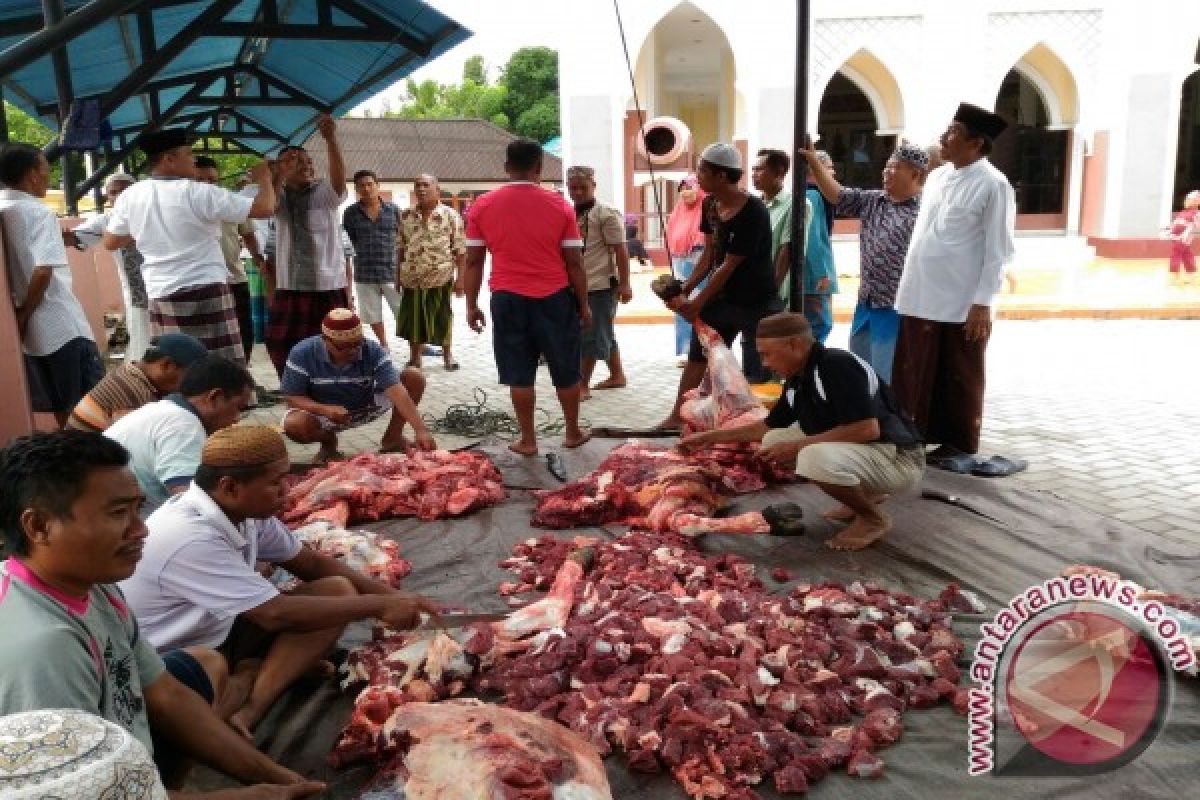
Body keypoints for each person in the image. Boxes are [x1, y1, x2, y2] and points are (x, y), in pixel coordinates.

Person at [0, 430, 324, 798]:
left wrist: (276, 777)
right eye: (118, 513)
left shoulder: (96, 585)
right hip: (75, 787)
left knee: (203, 664)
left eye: (137, 509)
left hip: (114, 745)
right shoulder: (45, 647)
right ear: (40, 526)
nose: (140, 530)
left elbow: (168, 696)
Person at [121, 424, 440, 735]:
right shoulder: (189, 535)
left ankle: (251, 673)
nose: (287, 493)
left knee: (337, 591)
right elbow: (273, 614)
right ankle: (252, 706)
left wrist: (395, 600)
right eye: (276, 483)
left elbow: (309, 563)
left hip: (217, 629)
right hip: (171, 659)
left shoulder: (241, 513)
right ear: (231, 487)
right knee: (314, 610)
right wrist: (378, 605)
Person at [681, 312, 924, 551]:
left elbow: (867, 429)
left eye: (768, 354)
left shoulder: (837, 365)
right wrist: (708, 437)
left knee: (811, 456)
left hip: (900, 459)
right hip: (872, 452)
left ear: (794, 344)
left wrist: (797, 446)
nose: (765, 363)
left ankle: (872, 518)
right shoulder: (799, 377)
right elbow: (767, 427)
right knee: (774, 439)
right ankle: (866, 495)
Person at [892, 103, 1016, 464]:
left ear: (976, 143)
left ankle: (958, 444)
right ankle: (912, 434)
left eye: (953, 133)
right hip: (919, 293)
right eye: (946, 130)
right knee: (914, 371)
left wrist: (982, 302)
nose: (943, 138)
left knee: (958, 375)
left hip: (960, 301)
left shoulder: (994, 185)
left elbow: (999, 251)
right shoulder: (939, 176)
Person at [103, 130, 275, 367]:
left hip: (161, 292)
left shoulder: (131, 196)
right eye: (188, 154)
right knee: (221, 368)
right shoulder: (199, 193)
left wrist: (147, 231)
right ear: (168, 159)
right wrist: (264, 178)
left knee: (178, 369)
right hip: (206, 289)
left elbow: (111, 241)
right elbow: (265, 208)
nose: (193, 160)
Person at [463, 138, 591, 456]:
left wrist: (470, 305)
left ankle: (528, 440)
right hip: (555, 298)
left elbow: (473, 261)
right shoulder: (560, 205)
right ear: (539, 168)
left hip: (507, 298)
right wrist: (584, 304)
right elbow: (574, 262)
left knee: (519, 372)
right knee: (565, 367)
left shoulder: (482, 206)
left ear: (507, 167)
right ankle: (572, 432)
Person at [658, 142, 777, 430]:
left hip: (755, 301)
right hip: (721, 297)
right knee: (698, 356)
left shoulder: (754, 211)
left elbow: (729, 265)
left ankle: (758, 424)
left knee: (759, 368)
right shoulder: (710, 204)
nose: (697, 175)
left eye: (702, 170)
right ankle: (678, 415)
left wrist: (697, 302)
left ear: (722, 176)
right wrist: (685, 289)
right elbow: (710, 254)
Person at [803, 140, 928, 383]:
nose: (887, 172)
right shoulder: (874, 201)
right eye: (887, 166)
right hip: (867, 301)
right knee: (861, 369)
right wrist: (814, 162)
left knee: (887, 373)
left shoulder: (924, 213)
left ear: (915, 174)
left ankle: (888, 418)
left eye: (895, 168)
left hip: (897, 306)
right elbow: (837, 194)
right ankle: (867, 415)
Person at [0, 142, 104, 428]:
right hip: (61, 324)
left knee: (62, 407)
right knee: (91, 405)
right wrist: (24, 313)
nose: (48, 176)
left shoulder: (5, 208)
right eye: (46, 170)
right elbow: (44, 271)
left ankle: (72, 464)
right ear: (32, 174)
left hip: (36, 337)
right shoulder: (39, 213)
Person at [105, 355, 253, 517]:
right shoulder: (184, 425)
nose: (237, 419)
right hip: (123, 524)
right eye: (238, 408)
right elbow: (190, 501)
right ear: (214, 397)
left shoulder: (165, 410)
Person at [281, 308, 434, 461]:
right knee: (295, 425)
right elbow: (292, 397)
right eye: (343, 346)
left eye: (357, 344)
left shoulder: (372, 349)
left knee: (414, 377)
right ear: (325, 339)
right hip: (325, 414)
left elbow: (396, 391)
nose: (352, 350)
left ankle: (393, 439)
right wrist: (324, 409)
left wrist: (421, 430)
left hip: (365, 406)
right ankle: (328, 444)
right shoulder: (302, 353)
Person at [263, 113, 351, 376]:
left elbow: (338, 181)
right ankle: (295, 389)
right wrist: (277, 174)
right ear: (282, 168)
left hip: (327, 287)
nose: (305, 166)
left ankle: (330, 391)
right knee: (281, 345)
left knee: (334, 345)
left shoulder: (324, 194)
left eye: (308, 161)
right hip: (290, 287)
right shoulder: (276, 196)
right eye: (296, 162)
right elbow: (270, 203)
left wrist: (331, 139)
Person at [68, 172, 152, 360]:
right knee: (143, 340)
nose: (120, 197)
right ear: (107, 197)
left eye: (125, 191)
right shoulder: (106, 221)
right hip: (137, 296)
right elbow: (74, 237)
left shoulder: (153, 213)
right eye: (113, 193)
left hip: (167, 289)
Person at [566, 165, 632, 400]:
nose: (578, 192)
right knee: (604, 331)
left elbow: (621, 250)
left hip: (600, 285)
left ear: (594, 186)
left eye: (583, 187)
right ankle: (617, 375)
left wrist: (625, 284)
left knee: (591, 335)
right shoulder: (568, 213)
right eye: (573, 188)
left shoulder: (606, 213)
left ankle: (582, 385)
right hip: (574, 286)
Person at [68, 333, 208, 432]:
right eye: (189, 375)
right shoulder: (133, 393)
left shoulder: (129, 372)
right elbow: (135, 447)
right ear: (167, 365)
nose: (191, 383)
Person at [396, 173, 466, 370]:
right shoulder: (406, 215)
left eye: (426, 185)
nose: (421, 189)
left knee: (442, 316)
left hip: (440, 276)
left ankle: (447, 355)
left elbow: (461, 251)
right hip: (412, 277)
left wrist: (461, 281)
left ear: (437, 188)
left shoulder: (451, 215)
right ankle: (415, 358)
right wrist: (397, 277)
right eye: (417, 185)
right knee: (413, 320)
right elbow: (400, 247)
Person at [194, 157, 257, 364]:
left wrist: (259, 259)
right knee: (207, 338)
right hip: (203, 284)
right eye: (200, 180)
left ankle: (241, 379)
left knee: (243, 334)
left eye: (211, 180)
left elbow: (248, 234)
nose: (207, 185)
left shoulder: (230, 202)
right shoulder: (185, 207)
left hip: (235, 279)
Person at [745, 148, 798, 381]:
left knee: (771, 354)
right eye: (753, 169)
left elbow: (787, 251)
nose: (754, 174)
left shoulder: (795, 204)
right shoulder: (755, 205)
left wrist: (770, 294)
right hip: (752, 293)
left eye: (760, 169)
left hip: (771, 295)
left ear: (779, 173)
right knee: (752, 350)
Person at [342, 169, 403, 353]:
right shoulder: (350, 213)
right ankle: (383, 343)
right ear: (356, 189)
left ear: (378, 185)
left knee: (403, 311)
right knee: (372, 314)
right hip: (364, 273)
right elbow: (347, 245)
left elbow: (403, 239)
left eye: (370, 184)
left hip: (392, 272)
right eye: (362, 185)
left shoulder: (393, 210)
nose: (366, 189)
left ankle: (415, 346)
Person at [665, 176, 707, 366]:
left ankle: (704, 347)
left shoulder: (706, 208)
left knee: (701, 305)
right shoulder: (677, 211)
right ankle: (685, 350)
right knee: (680, 303)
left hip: (700, 263)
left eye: (690, 188)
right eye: (682, 188)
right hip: (680, 263)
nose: (685, 192)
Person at [801, 149, 838, 344]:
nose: (833, 173)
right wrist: (821, 273)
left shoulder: (806, 193)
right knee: (819, 324)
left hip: (808, 274)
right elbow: (813, 238)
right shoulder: (813, 196)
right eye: (829, 168)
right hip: (814, 277)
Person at [1166, 190, 1199, 284]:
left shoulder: (1196, 213)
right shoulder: (1183, 212)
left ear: (1196, 202)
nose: (1187, 201)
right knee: (1186, 255)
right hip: (1176, 237)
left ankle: (1173, 276)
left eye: (1190, 200)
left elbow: (1195, 225)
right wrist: (1169, 230)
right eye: (1187, 199)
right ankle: (1192, 276)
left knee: (1175, 255)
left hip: (1183, 238)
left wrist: (1185, 233)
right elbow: (1175, 223)